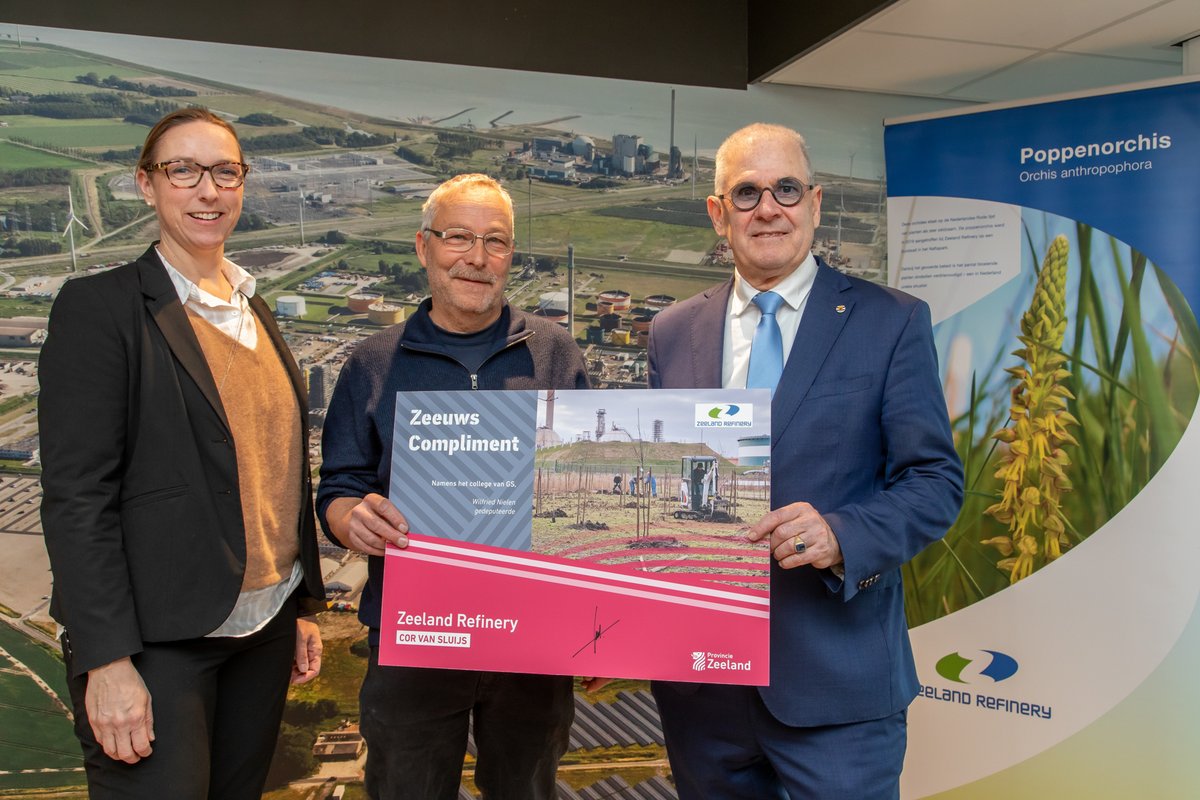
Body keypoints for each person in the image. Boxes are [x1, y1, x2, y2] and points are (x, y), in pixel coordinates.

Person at [647, 123, 963, 799]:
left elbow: (935, 482)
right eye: (746, 192)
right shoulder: (672, 331)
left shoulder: (891, 322)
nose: (768, 208)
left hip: (838, 689)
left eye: (786, 188)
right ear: (717, 213)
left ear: (815, 203)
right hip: (704, 691)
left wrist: (840, 534)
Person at [39, 107, 326, 800]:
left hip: (263, 630)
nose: (208, 190)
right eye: (184, 171)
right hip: (157, 642)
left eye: (225, 172)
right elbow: (78, 498)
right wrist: (106, 661)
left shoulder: (254, 307)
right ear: (147, 185)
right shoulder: (100, 309)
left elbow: (274, 467)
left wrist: (301, 604)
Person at [317, 173, 589, 800]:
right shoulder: (371, 364)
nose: (477, 257)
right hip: (416, 636)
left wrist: (591, 636)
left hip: (533, 641)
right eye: (458, 237)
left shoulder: (554, 354)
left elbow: (574, 499)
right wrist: (351, 518)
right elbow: (338, 486)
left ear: (510, 257)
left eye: (495, 242)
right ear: (423, 246)